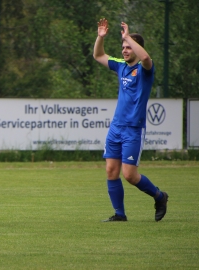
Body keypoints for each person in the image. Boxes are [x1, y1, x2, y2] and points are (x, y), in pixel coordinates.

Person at [93, 18, 168, 222]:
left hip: (134, 129)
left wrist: (128, 36)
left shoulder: (146, 69)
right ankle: (120, 214)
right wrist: (100, 38)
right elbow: (98, 55)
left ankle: (160, 197)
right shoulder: (120, 66)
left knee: (130, 175)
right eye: (123, 47)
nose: (125, 50)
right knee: (111, 170)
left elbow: (145, 57)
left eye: (128, 47)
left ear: (136, 47)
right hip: (116, 127)